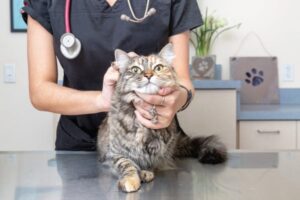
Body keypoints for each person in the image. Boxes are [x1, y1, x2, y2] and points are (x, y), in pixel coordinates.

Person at [21, 0, 203, 151]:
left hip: (153, 140)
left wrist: (176, 99)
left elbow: (183, 82)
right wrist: (103, 100)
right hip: (80, 143)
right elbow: (40, 92)